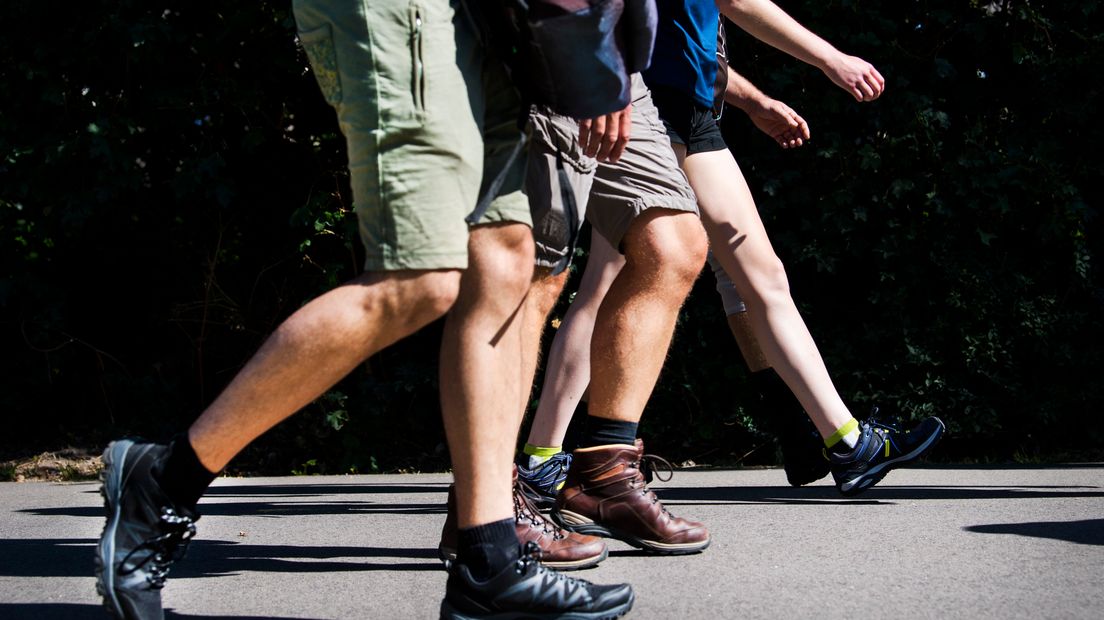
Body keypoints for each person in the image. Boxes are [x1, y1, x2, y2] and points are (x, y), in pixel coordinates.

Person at [93, 2, 642, 619]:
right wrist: (595, 64)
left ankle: (489, 562)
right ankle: (163, 479)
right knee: (421, 276)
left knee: (506, 257)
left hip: (486, 16)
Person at [518, 0, 945, 508]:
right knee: (623, 282)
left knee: (756, 279)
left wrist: (752, 101)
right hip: (660, 106)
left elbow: (691, 41)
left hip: (683, 107)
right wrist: (830, 58)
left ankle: (847, 442)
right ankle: (543, 458)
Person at [439, 72, 713, 567]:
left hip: (620, 70)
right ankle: (486, 506)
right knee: (532, 274)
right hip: (549, 50)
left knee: (673, 246)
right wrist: (583, 58)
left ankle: (603, 474)